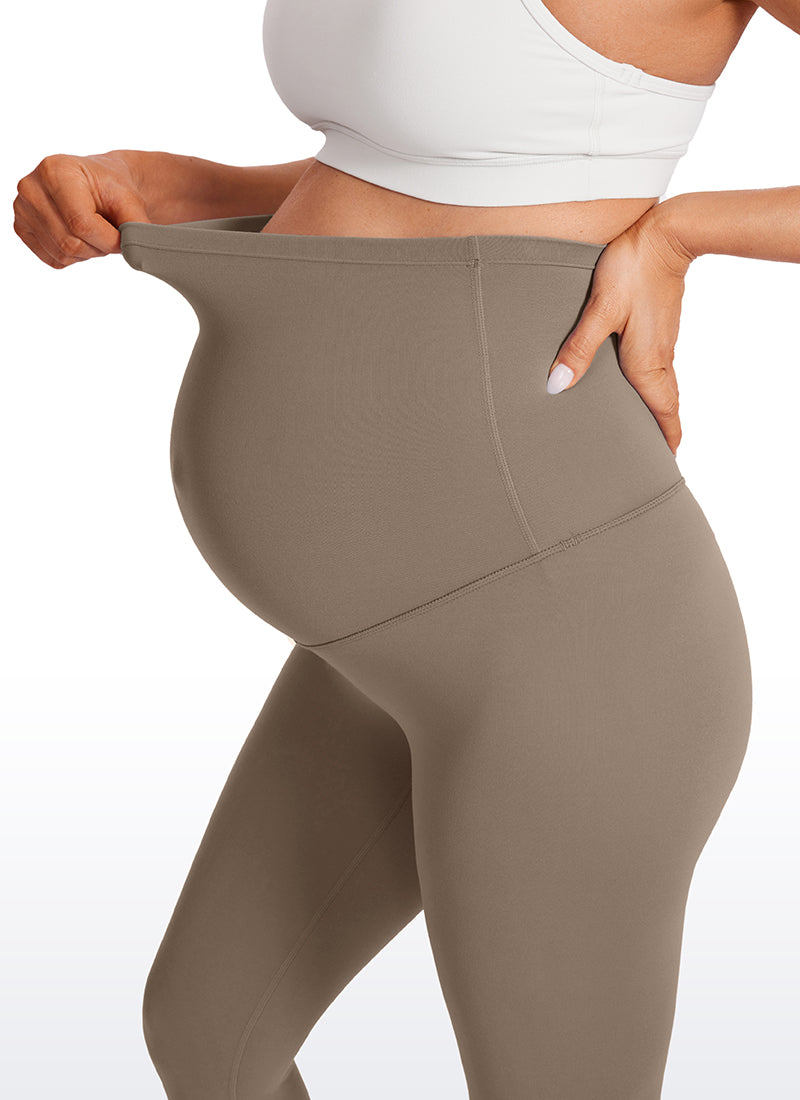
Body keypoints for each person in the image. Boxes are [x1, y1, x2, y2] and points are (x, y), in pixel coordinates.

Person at [12, 1, 799, 1097]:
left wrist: (680, 233)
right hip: (387, 650)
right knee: (205, 1036)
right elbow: (439, 156)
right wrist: (162, 182)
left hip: (567, 639)